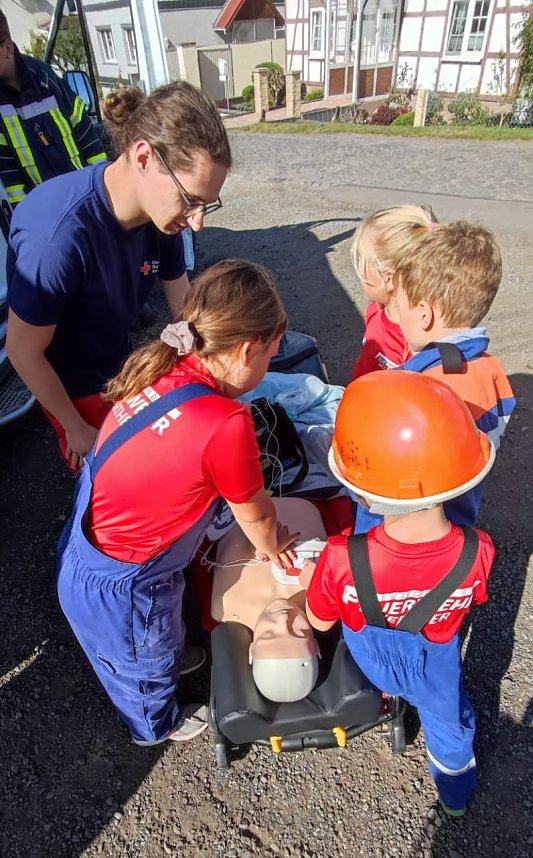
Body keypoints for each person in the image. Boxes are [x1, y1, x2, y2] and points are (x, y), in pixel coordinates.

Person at [57, 259, 300, 745]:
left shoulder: (165, 370)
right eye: (271, 355)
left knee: (154, 635)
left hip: (95, 543)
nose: (269, 365)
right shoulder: (226, 423)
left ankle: (161, 653)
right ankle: (154, 724)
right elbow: (257, 517)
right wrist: (275, 546)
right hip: (123, 584)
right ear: (248, 350)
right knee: (140, 663)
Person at [6, 81, 230, 470]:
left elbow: (182, 309)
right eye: (191, 201)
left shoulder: (162, 221)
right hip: (70, 386)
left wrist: (203, 371)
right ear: (144, 157)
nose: (197, 223)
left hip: (119, 362)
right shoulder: (58, 240)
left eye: (207, 205)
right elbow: (23, 351)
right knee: (115, 478)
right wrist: (74, 427)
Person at [303, 370, 496, 817]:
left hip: (370, 658)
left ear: (363, 493)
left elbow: (319, 621)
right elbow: (470, 598)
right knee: (449, 722)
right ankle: (455, 795)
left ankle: (388, 700)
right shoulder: (478, 551)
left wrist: (311, 577)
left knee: (393, 679)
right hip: (437, 663)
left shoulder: (340, 559)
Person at [355, 220, 516, 534]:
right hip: (458, 520)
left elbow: (380, 477)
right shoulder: (493, 371)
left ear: (425, 314)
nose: (398, 320)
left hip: (397, 530)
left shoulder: (415, 387)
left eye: (400, 308)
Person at [210, 496, 326, 703]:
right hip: (308, 491)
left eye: (270, 635)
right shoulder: (327, 598)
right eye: (298, 632)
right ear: (316, 647)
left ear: (251, 650)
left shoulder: (227, 607)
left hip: (237, 499)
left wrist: (264, 542)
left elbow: (237, 534)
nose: (283, 620)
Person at [0, 10, 106, 206]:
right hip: (44, 215)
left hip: (85, 198)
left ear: (7, 48)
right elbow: (9, 178)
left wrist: (104, 190)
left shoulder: (45, 78)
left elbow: (86, 137)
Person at [350, 205, 435, 380]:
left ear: (388, 278)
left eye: (362, 264)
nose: (359, 273)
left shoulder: (416, 341)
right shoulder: (376, 310)